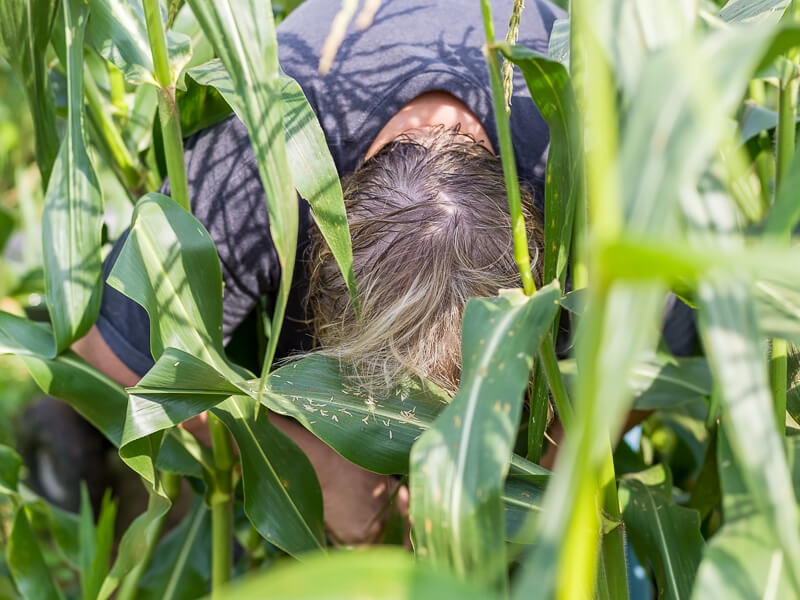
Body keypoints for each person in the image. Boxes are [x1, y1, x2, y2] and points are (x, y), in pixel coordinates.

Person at [74, 0, 571, 544]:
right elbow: (111, 354)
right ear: (320, 267)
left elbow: (654, 351)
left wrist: (547, 481)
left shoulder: (584, 169)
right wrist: (307, 465)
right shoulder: (254, 168)